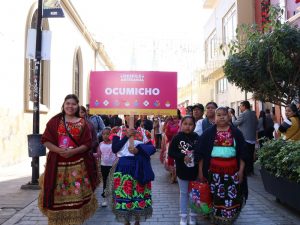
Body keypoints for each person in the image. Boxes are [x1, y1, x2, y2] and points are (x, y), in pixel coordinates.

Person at [38, 94, 99, 225]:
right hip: (57, 166)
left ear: (77, 106)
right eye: (68, 103)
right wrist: (59, 150)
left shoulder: (83, 123)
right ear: (63, 105)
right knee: (56, 196)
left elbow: (88, 144)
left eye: (73, 104)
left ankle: (76, 221)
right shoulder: (54, 121)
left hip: (78, 167)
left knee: (77, 198)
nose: (70, 106)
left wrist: (73, 151)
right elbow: (45, 140)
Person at [195, 107, 248, 225]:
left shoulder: (236, 133)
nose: (222, 117)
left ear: (229, 117)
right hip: (213, 174)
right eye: (218, 115)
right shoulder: (208, 133)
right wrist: (200, 172)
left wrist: (241, 171)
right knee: (215, 197)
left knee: (231, 198)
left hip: (232, 173)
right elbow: (200, 154)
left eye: (224, 115)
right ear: (214, 118)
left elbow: (243, 154)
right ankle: (216, 219)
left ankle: (228, 220)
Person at [106, 125, 155, 225]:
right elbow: (115, 149)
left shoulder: (144, 132)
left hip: (139, 167)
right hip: (123, 168)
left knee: (138, 193)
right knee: (124, 194)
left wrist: (139, 151)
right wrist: (126, 136)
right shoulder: (117, 131)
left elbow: (151, 148)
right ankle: (126, 221)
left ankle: (138, 221)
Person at [168, 116, 199, 225]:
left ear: (194, 126)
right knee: (184, 193)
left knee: (194, 194)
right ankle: (183, 217)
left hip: (195, 171)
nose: (188, 126)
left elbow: (201, 153)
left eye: (190, 124)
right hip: (182, 170)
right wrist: (182, 156)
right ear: (181, 125)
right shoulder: (177, 137)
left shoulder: (197, 137)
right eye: (185, 124)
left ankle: (193, 217)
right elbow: (171, 153)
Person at [233, 101, 257, 175]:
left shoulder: (243, 114)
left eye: (240, 106)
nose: (240, 107)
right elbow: (257, 124)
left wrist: (231, 118)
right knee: (250, 155)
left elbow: (235, 124)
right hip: (252, 138)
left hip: (245, 138)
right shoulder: (254, 114)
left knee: (245, 155)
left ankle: (246, 171)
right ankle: (251, 170)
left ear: (244, 106)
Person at [94, 127, 116, 207]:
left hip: (113, 166)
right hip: (104, 166)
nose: (105, 136)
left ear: (111, 135)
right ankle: (105, 199)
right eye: (104, 134)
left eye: (108, 134)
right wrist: (90, 155)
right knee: (105, 182)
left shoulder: (114, 144)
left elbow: (117, 154)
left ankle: (115, 199)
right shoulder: (101, 144)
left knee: (113, 182)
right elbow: (98, 154)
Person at [165, 110, 182, 183]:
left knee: (178, 159)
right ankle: (173, 175)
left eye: (175, 114)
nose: (174, 115)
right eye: (172, 114)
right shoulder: (169, 123)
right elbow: (167, 133)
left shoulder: (181, 121)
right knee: (171, 159)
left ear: (178, 114)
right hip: (171, 142)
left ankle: (178, 175)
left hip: (180, 143)